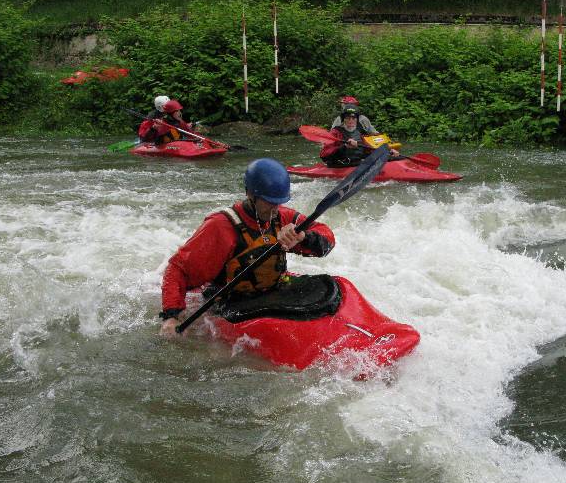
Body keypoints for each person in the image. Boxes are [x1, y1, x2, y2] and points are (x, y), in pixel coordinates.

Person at [159, 158, 336, 337]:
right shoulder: (220, 226)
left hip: (272, 293)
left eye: (279, 202)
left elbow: (327, 238)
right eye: (269, 202)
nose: (275, 209)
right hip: (230, 302)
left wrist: (303, 237)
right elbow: (177, 269)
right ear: (250, 194)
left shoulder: (283, 218)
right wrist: (171, 316)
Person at [321, 105, 398, 168]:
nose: (351, 121)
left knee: (394, 157)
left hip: (359, 161)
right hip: (342, 164)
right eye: (347, 118)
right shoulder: (335, 133)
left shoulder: (361, 132)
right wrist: (344, 147)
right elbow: (324, 155)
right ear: (343, 119)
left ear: (357, 119)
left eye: (353, 118)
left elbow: (371, 148)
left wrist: (388, 152)